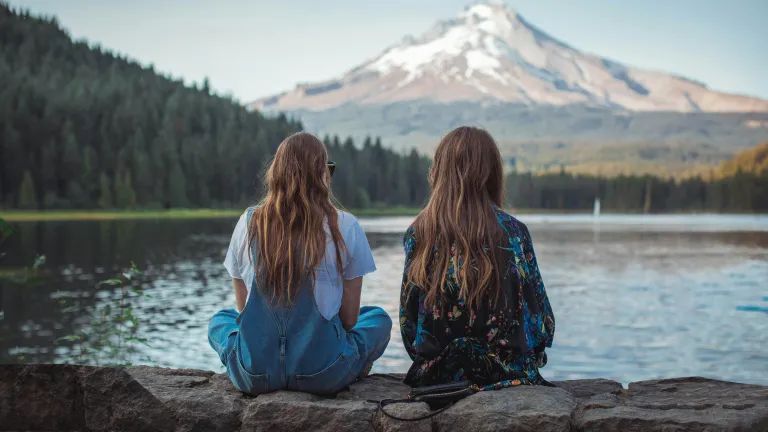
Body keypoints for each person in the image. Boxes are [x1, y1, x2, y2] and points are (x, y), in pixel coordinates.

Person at [208, 132, 391, 396]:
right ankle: (353, 362)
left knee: (221, 320)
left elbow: (243, 312)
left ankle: (243, 362)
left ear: (276, 173)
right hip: (323, 374)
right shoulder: (346, 225)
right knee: (377, 318)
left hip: (256, 375)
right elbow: (350, 320)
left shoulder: (248, 223)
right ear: (322, 176)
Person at [399, 126, 555, 390]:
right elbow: (543, 324)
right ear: (492, 174)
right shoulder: (514, 232)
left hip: (437, 375)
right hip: (506, 374)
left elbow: (409, 324)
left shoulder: (419, 232)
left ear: (438, 172)